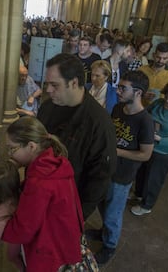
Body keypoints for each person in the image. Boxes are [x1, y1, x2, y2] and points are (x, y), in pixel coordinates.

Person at [37, 53, 117, 220]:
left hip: (68, 204)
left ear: (73, 82)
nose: (48, 90)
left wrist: (78, 217)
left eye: (54, 85)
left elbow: (100, 178)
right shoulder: (47, 107)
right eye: (47, 84)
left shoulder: (99, 123)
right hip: (39, 191)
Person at [1, 116, 83, 271]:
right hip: (65, 240)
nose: (10, 154)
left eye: (12, 148)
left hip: (50, 252)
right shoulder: (53, 162)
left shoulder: (40, 181)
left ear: (31, 146)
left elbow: (22, 230)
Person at [95, 71, 154, 265]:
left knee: (113, 212)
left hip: (122, 175)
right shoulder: (118, 109)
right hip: (108, 167)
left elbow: (145, 154)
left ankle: (110, 245)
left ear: (137, 92)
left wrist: (117, 151)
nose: (117, 90)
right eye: (118, 86)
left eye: (123, 88)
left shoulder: (145, 121)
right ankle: (104, 232)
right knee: (102, 205)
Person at [132, 81, 168, 216]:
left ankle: (146, 205)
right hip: (148, 146)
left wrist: (161, 140)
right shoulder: (159, 103)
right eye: (166, 96)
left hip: (164, 152)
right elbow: (146, 114)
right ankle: (139, 194)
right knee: (141, 172)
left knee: (153, 179)